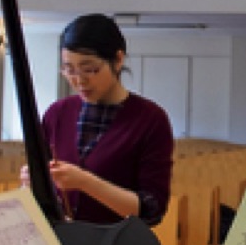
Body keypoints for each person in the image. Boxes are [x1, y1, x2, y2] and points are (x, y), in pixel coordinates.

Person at [26, 13, 174, 226]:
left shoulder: (151, 119)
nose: (79, 80)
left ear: (118, 60)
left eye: (90, 69)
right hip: (61, 243)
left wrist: (85, 182)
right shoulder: (57, 114)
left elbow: (152, 210)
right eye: (69, 70)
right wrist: (34, 184)